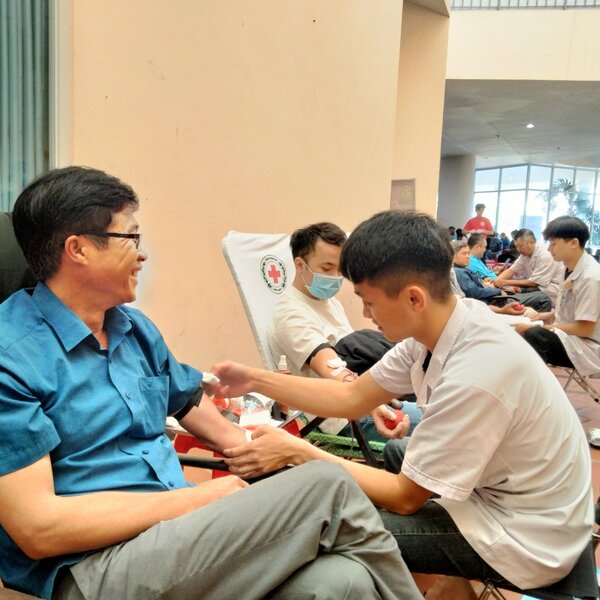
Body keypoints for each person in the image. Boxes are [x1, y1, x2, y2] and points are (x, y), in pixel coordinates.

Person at [0, 167, 421, 600]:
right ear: (79, 249)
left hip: (175, 540)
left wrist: (261, 448)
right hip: (92, 569)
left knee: (339, 582)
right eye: (132, 238)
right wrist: (197, 500)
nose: (142, 255)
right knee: (326, 486)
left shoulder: (133, 330)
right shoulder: (10, 357)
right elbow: (39, 529)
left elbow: (191, 404)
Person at [211, 210, 593, 599]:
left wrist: (298, 451)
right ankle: (449, 587)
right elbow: (352, 395)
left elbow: (405, 497)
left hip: (530, 535)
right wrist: (255, 379)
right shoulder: (439, 328)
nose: (365, 314)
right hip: (518, 496)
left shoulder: (478, 370)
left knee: (346, 525)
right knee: (395, 453)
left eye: (369, 302)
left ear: (414, 297)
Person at [268, 221, 420, 441]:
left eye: (340, 269)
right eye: (327, 268)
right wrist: (367, 401)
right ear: (300, 265)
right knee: (440, 426)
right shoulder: (290, 314)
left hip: (366, 398)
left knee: (442, 412)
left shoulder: (329, 302)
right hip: (339, 416)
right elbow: (331, 366)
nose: (335, 276)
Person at [515, 216, 600, 375]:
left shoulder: (590, 277)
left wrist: (542, 327)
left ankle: (537, 390)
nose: (549, 249)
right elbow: (574, 307)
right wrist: (550, 315)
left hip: (586, 346)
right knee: (524, 328)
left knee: (534, 335)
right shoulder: (569, 268)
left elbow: (586, 328)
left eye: (553, 243)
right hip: (572, 337)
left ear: (574, 243)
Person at [493, 228, 563, 306]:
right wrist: (497, 280)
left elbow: (535, 282)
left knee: (512, 299)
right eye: (516, 246)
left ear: (532, 242)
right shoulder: (525, 255)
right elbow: (511, 270)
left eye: (521, 246)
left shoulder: (545, 254)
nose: (518, 250)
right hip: (537, 287)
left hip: (551, 291)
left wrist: (506, 282)